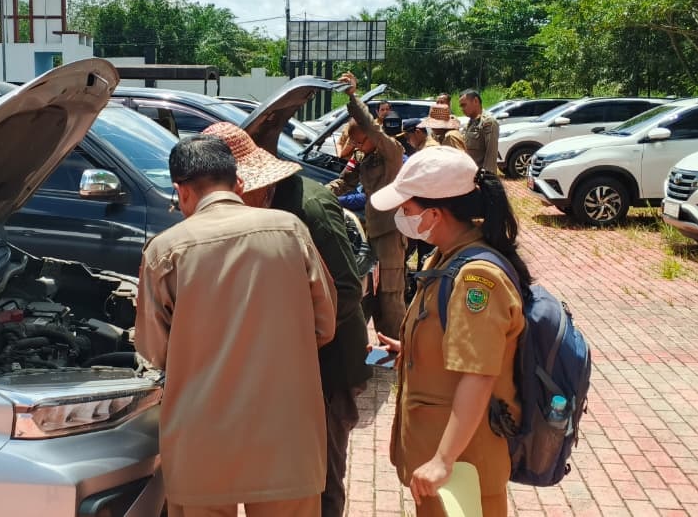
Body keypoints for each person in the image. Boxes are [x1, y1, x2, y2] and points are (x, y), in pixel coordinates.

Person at [135, 135, 338, 517]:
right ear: (239, 183)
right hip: (286, 435)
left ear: (182, 192)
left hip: (201, 443)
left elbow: (155, 352)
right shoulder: (290, 230)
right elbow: (324, 326)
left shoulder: (165, 250)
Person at [203, 122, 372, 517]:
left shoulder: (309, 209)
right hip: (283, 373)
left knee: (321, 481)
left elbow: (346, 289)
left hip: (326, 371)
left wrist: (282, 344)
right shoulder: (254, 210)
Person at [368, 146, 530, 517]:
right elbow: (452, 339)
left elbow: (479, 373)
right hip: (444, 462)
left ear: (435, 214)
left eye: (406, 210)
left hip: (461, 467)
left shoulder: (476, 278)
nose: (401, 216)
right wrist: (411, 350)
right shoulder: (448, 255)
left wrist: (443, 459)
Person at [327, 71, 408, 340]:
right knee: (367, 292)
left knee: (391, 296)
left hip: (391, 233)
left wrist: (352, 96)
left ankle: (397, 349)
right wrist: (321, 194)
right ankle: (368, 346)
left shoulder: (391, 151)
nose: (358, 147)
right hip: (370, 232)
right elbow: (344, 182)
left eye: (361, 140)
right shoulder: (364, 155)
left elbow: (371, 126)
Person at [459, 89, 499, 174]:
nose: (462, 109)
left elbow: (491, 156)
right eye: (461, 106)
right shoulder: (470, 123)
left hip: (480, 178)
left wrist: (487, 179)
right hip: (469, 176)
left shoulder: (488, 122)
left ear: (475, 101)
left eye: (464, 105)